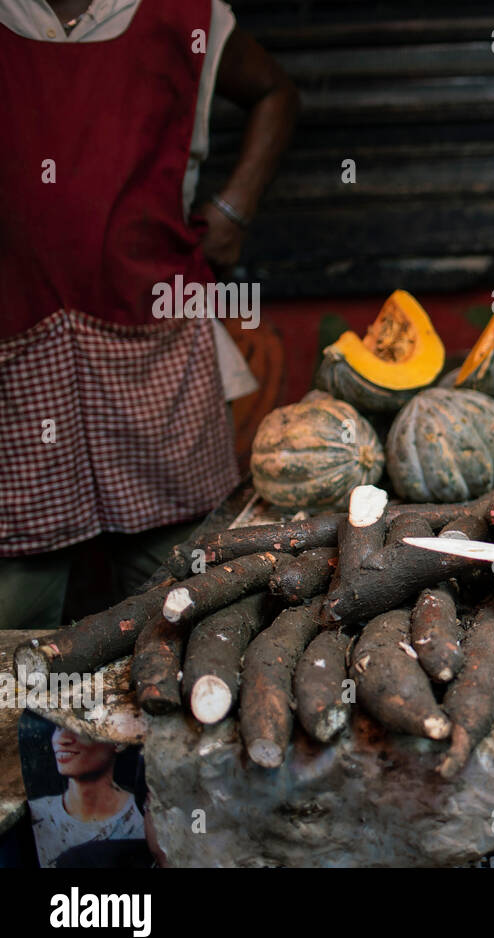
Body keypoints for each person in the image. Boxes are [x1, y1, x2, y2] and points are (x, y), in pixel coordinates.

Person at [0, 0, 298, 628]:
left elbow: (276, 90)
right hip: (15, 355)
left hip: (156, 348)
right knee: (18, 606)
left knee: (179, 587)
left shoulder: (185, 14)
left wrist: (236, 205)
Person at [28, 726, 143, 867]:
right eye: (58, 727)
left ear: (118, 741)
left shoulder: (146, 819)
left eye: (78, 728)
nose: (62, 739)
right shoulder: (32, 817)